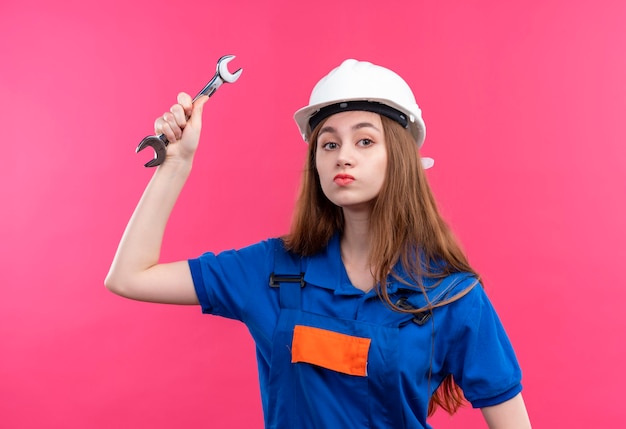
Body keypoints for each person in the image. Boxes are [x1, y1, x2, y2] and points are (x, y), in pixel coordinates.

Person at [105, 59, 532, 428]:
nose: (342, 155)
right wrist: (175, 164)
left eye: (365, 140)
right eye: (329, 143)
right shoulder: (272, 270)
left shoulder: (449, 295)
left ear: (400, 158)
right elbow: (130, 277)